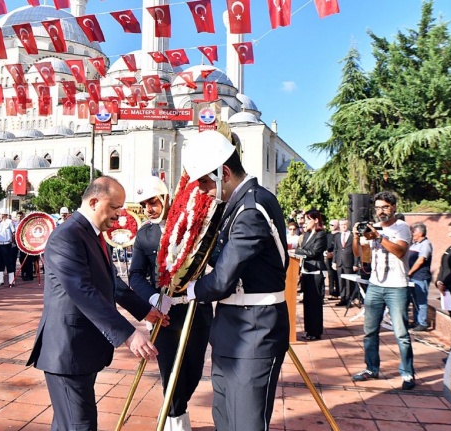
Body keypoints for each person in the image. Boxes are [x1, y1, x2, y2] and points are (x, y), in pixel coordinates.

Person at [27, 176, 165, 431]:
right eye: (114, 207)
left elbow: (112, 282)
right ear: (93, 201)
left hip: (82, 350)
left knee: (70, 424)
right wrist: (129, 335)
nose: (119, 215)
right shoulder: (67, 236)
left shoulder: (90, 234)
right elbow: (82, 290)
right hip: (67, 350)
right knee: (80, 425)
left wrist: (145, 310)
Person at [182, 130, 289, 431]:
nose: (202, 190)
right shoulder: (237, 207)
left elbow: (221, 281)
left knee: (245, 423)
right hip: (233, 326)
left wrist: (190, 290)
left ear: (224, 172)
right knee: (226, 418)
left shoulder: (251, 208)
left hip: (255, 329)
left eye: (204, 181)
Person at [128, 176, 211, 430]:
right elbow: (135, 275)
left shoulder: (191, 224)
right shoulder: (145, 234)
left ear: (165, 198)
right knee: (170, 373)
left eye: (152, 202)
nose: (148, 210)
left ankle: (173, 413)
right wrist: (153, 299)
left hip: (196, 309)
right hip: (163, 314)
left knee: (193, 371)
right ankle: (176, 422)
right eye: (143, 205)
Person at [351, 191, 415, 390]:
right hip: (376, 285)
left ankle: (407, 374)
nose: (381, 211)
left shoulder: (401, 227)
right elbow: (361, 255)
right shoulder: (372, 227)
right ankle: (371, 368)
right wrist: (356, 236)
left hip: (397, 286)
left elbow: (400, 251)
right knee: (369, 331)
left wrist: (379, 237)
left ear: (394, 207)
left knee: (401, 333)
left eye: (385, 207)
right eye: (378, 208)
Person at [295, 209, 328, 341]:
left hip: (316, 271)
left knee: (315, 303)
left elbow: (314, 252)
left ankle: (316, 331)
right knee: (307, 302)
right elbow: (304, 250)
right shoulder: (307, 234)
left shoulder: (321, 235)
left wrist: (297, 251)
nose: (306, 222)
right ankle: (308, 330)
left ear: (315, 220)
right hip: (306, 271)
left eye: (309, 219)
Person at [408, 223, 434, 332]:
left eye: (414, 231)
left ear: (421, 233)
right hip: (413, 276)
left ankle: (422, 323)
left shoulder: (425, 244)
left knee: (421, 300)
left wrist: (410, 272)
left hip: (420, 276)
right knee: (414, 300)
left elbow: (421, 260)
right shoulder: (414, 244)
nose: (412, 234)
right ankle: (416, 321)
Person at [333, 219, 355, 307]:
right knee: (340, 281)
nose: (343, 226)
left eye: (345, 224)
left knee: (348, 282)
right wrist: (334, 261)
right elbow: (335, 249)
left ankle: (349, 299)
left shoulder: (352, 236)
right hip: (339, 262)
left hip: (349, 261)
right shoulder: (337, 236)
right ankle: (342, 298)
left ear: (348, 225)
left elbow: (356, 250)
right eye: (341, 225)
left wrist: (356, 264)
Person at [0, 209, 16, 285]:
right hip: (0, 244)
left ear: (4, 214)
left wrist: (13, 242)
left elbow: (13, 232)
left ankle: (11, 280)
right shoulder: (0, 223)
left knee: (9, 262)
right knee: (0, 262)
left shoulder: (9, 222)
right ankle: (0, 279)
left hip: (7, 244)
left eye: (0, 214)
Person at [325, 219, 340, 299]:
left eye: (332, 225)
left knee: (337, 276)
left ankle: (337, 292)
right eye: (330, 225)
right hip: (328, 257)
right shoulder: (328, 235)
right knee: (330, 276)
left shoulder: (339, 235)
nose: (330, 226)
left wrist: (333, 254)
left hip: (337, 257)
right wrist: (326, 253)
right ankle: (331, 292)